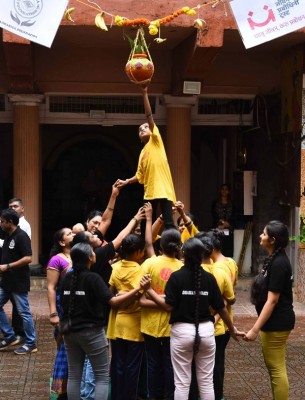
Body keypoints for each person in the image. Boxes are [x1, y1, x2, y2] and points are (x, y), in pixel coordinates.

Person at [142, 237, 241, 400]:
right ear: (202, 254)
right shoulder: (210, 278)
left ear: (183, 254)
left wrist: (149, 291)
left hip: (181, 332)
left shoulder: (176, 277)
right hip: (207, 332)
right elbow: (222, 309)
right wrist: (232, 329)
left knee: (181, 382)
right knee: (207, 382)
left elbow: (168, 306)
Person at [60, 242, 150, 400]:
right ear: (89, 257)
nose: (95, 254)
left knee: (74, 375)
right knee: (101, 376)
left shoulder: (67, 278)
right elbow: (113, 302)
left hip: (70, 331)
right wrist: (138, 289)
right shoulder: (93, 278)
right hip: (92, 332)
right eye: (93, 252)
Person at [244, 220, 295, 400]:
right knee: (275, 367)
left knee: (276, 369)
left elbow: (272, 301)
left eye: (264, 234)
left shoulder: (280, 263)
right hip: (274, 323)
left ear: (272, 239)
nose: (260, 236)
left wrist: (254, 329)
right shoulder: (275, 259)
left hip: (277, 323)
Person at [116, 82, 176, 230]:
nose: (143, 129)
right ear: (139, 137)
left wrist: (144, 93)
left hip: (163, 190)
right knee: (144, 226)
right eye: (140, 129)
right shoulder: (143, 152)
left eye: (145, 127)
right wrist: (126, 182)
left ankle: (173, 251)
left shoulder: (156, 140)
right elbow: (140, 175)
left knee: (168, 224)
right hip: (149, 192)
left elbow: (148, 115)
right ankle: (146, 252)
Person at [139, 228, 183, 400]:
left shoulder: (149, 264)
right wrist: (167, 304)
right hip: (174, 325)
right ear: (179, 246)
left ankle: (154, 396)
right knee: (171, 364)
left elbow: (140, 298)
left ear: (161, 245)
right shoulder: (182, 267)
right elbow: (177, 303)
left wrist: (154, 299)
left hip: (150, 324)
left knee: (152, 363)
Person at [0, 208, 37, 354]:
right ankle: (9, 335)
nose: (0, 223)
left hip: (18, 282)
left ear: (10, 222)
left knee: (24, 313)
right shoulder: (9, 235)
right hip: (7, 282)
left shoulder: (21, 236)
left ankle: (31, 343)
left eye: (2, 221)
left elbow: (28, 258)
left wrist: (7, 266)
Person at [47, 227, 75, 399]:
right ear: (62, 242)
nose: (73, 234)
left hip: (78, 307)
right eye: (69, 233)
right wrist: (53, 313)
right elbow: (50, 287)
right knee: (64, 345)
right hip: (62, 306)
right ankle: (62, 390)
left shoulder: (81, 253)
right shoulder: (57, 259)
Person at [212, 184, 234, 257]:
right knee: (218, 245)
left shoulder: (232, 203)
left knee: (227, 247)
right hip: (218, 228)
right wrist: (222, 222)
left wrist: (228, 223)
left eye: (226, 189)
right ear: (220, 191)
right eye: (223, 189)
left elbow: (234, 215)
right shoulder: (215, 203)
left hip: (229, 228)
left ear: (229, 191)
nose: (224, 191)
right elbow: (213, 215)